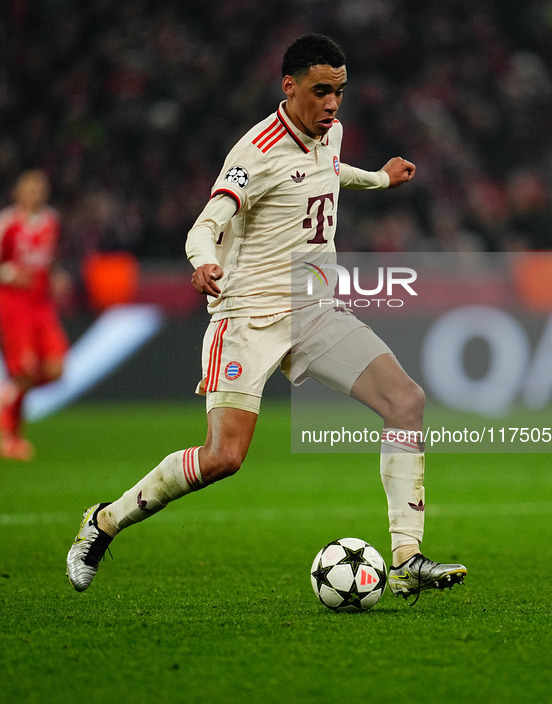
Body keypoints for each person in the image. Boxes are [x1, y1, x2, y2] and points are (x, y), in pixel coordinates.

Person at [67, 34, 466, 600]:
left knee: (407, 401)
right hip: (249, 317)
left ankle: (406, 557)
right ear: (290, 86)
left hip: (314, 311)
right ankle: (103, 523)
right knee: (224, 457)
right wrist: (203, 261)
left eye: (340, 93)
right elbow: (205, 223)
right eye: (321, 92)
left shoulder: (332, 135)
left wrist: (377, 178)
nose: (333, 105)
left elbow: (328, 173)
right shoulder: (253, 152)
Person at [0, 170, 69, 460]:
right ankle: (7, 437)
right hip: (14, 304)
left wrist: (56, 276)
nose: (35, 193)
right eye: (29, 187)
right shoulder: (7, 223)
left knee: (56, 368)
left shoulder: (51, 221)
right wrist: (8, 272)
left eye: (39, 188)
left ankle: (7, 394)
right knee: (25, 370)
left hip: (42, 306)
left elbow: (49, 259)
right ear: (18, 191)